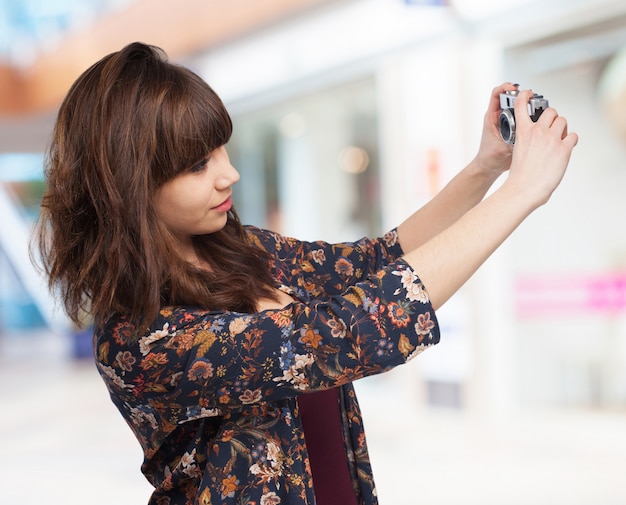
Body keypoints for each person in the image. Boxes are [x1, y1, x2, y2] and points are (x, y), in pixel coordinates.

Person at [33, 42, 577, 505]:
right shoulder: (140, 339)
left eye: (221, 149)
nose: (230, 174)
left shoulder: (236, 250)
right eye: (197, 165)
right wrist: (522, 194)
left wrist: (487, 167)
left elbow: (377, 262)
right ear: (128, 188)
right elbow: (347, 333)